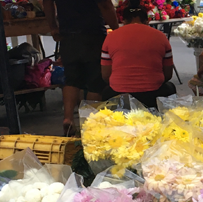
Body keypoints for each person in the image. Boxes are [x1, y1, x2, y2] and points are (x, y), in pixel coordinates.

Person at [43, 0, 120, 135]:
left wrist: (53, 26)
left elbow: (47, 3)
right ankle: (90, 122)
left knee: (71, 79)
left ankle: (68, 118)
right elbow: (105, 5)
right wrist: (116, 28)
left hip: (68, 35)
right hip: (93, 34)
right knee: (95, 82)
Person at [99, 0, 177, 108]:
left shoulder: (110, 37)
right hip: (153, 95)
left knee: (106, 91)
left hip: (118, 94)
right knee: (170, 87)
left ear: (124, 20)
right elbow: (168, 74)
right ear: (146, 21)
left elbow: (106, 75)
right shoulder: (161, 36)